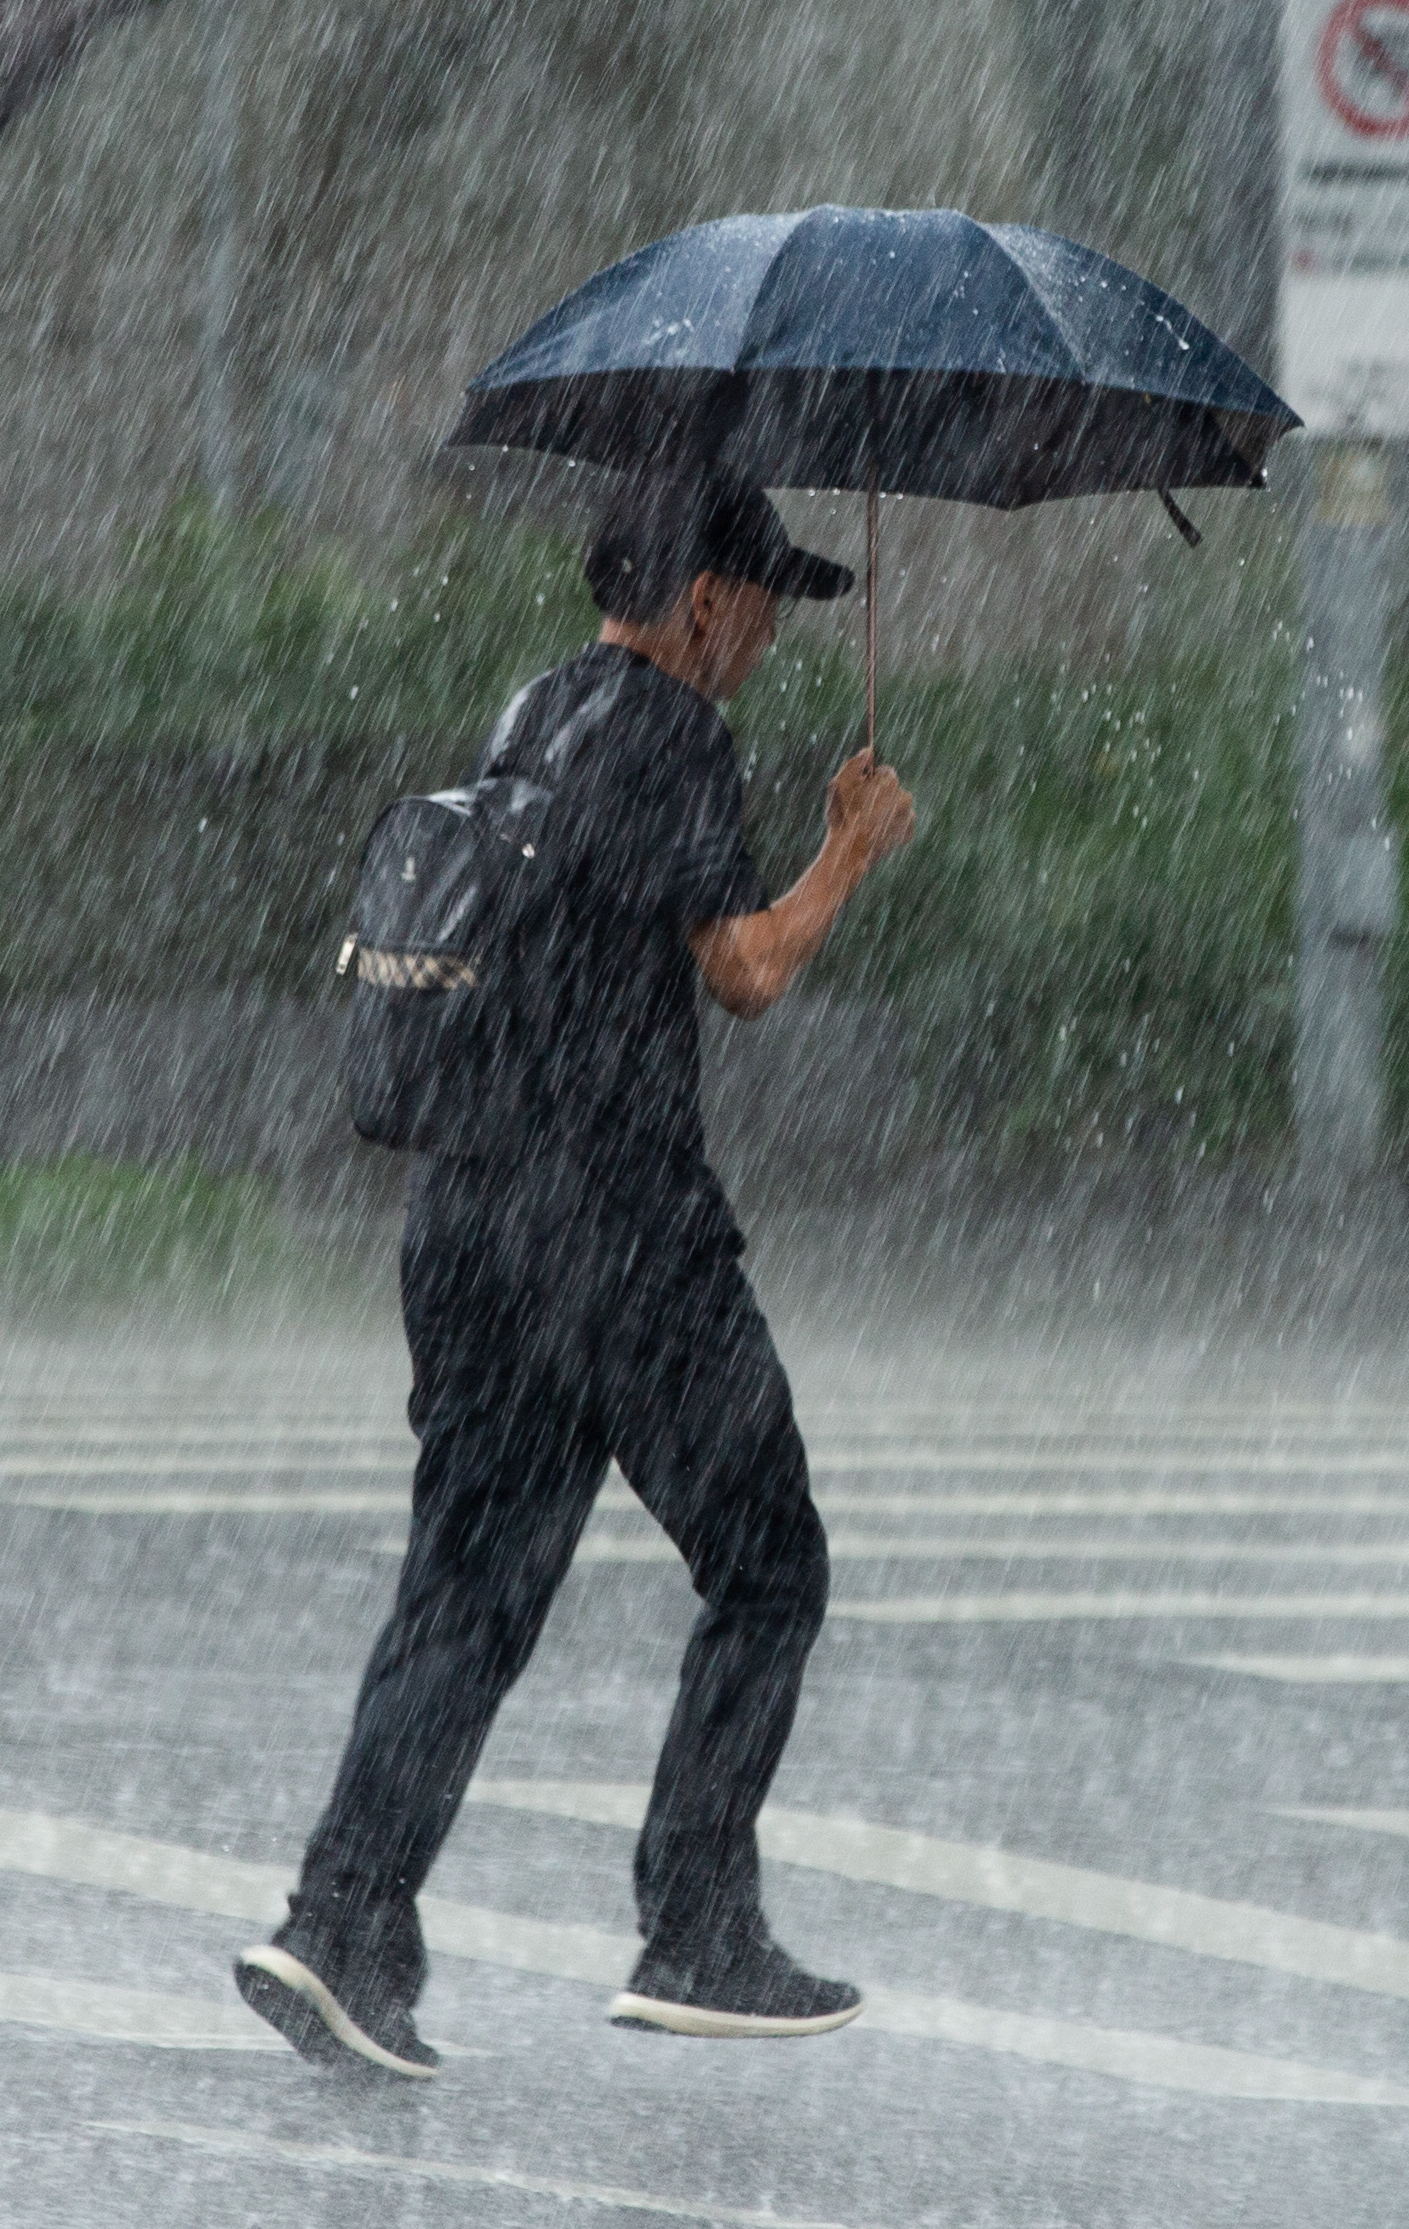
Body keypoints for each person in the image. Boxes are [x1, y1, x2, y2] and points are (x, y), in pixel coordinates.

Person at [238, 470, 920, 2079]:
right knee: (771, 1566)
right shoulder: (670, 732)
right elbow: (742, 970)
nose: (765, 635)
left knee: (464, 1597)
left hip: (467, 1222)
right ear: (699, 599)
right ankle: (696, 1926)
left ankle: (342, 1925)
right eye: (759, 602)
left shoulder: (530, 712)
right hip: (619, 1235)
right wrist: (847, 853)